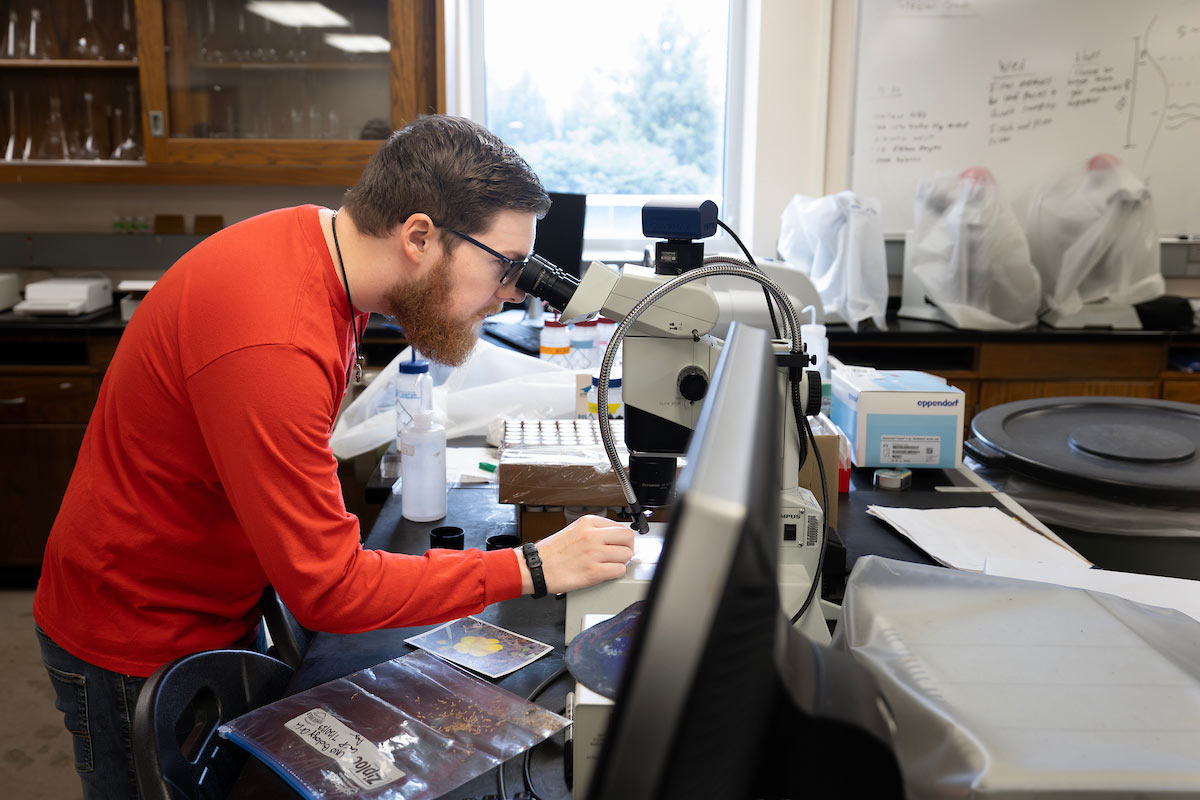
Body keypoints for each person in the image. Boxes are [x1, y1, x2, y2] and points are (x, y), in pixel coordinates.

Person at [33, 115, 636, 800]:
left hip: (218, 600)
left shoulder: (321, 251)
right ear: (418, 236)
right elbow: (329, 588)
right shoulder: (276, 343)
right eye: (505, 268)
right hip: (134, 630)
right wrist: (530, 566)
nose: (514, 295)